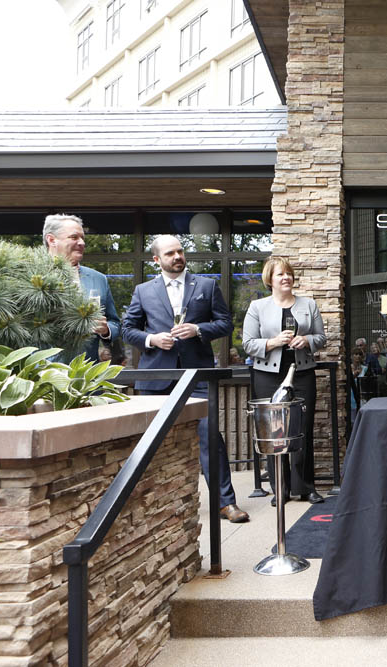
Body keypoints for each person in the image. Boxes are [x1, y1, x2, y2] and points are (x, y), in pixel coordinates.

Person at [121, 235, 248, 523]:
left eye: (180, 251)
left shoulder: (206, 285)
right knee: (151, 443)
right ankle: (150, 505)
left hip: (197, 376)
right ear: (157, 260)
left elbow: (225, 323)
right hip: (156, 378)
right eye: (170, 253)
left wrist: (198, 330)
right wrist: (152, 338)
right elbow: (128, 330)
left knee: (209, 437)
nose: (177, 256)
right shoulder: (143, 291)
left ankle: (225, 503)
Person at [242, 257, 327, 506]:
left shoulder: (308, 304)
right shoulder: (257, 307)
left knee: (303, 428)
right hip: (268, 374)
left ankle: (306, 488)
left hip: (302, 372)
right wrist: (273, 342)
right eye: (280, 274)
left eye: (288, 273)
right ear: (270, 279)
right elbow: (247, 343)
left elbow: (322, 337)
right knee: (274, 432)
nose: (286, 278)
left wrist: (308, 340)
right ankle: (281, 489)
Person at [42, 213, 120, 363]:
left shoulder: (99, 279)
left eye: (83, 237)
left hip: (88, 375)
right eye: (74, 237)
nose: (82, 242)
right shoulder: (31, 278)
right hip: (45, 375)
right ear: (52, 240)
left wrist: (106, 330)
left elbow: (115, 323)